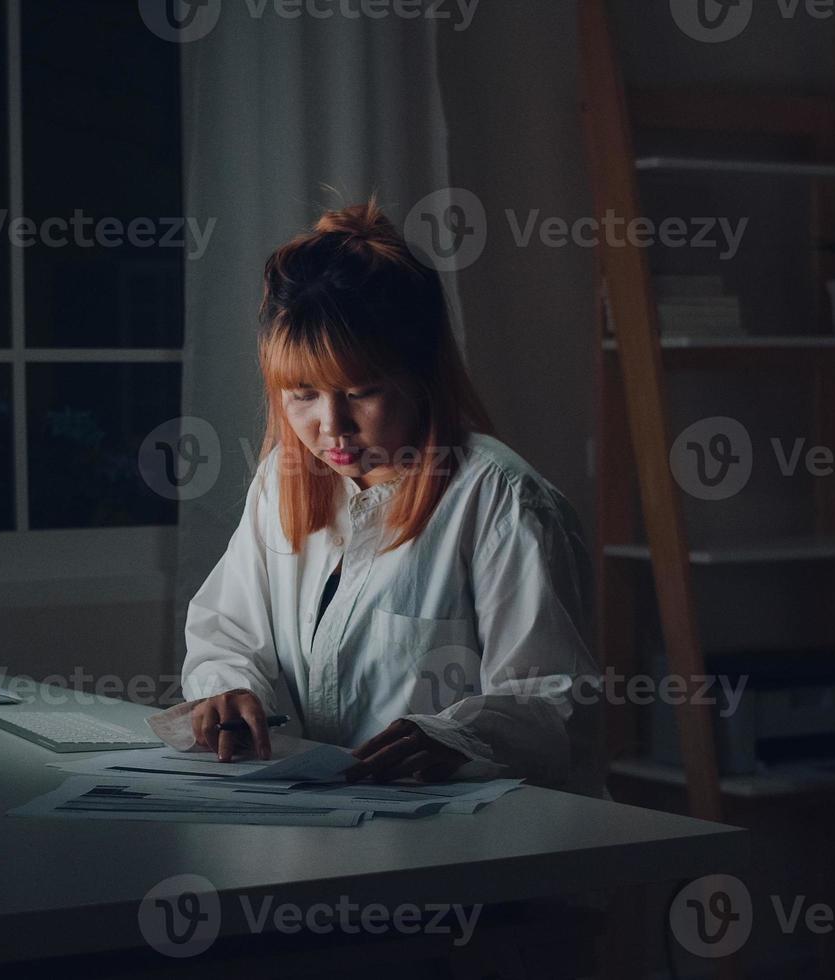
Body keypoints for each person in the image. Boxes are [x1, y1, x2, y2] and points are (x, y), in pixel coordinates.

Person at [180, 200, 605, 795]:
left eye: (362, 392)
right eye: (301, 395)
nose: (332, 426)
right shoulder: (284, 477)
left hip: (472, 844)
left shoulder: (501, 500)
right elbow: (228, 628)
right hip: (321, 831)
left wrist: (460, 737)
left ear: (420, 377)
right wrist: (229, 686)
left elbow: (559, 706)